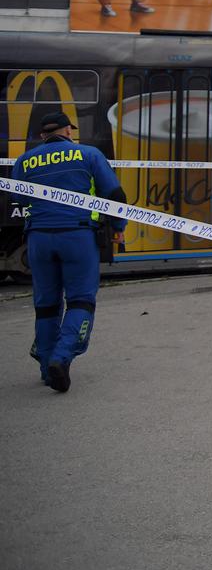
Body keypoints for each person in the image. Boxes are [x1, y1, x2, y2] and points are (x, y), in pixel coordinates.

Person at [13, 112, 128, 393]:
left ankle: (46, 368)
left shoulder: (24, 160)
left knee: (46, 304)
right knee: (80, 300)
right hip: (77, 236)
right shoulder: (88, 154)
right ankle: (61, 359)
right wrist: (118, 226)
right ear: (67, 131)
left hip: (38, 238)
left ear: (42, 135)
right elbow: (114, 195)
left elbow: (17, 199)